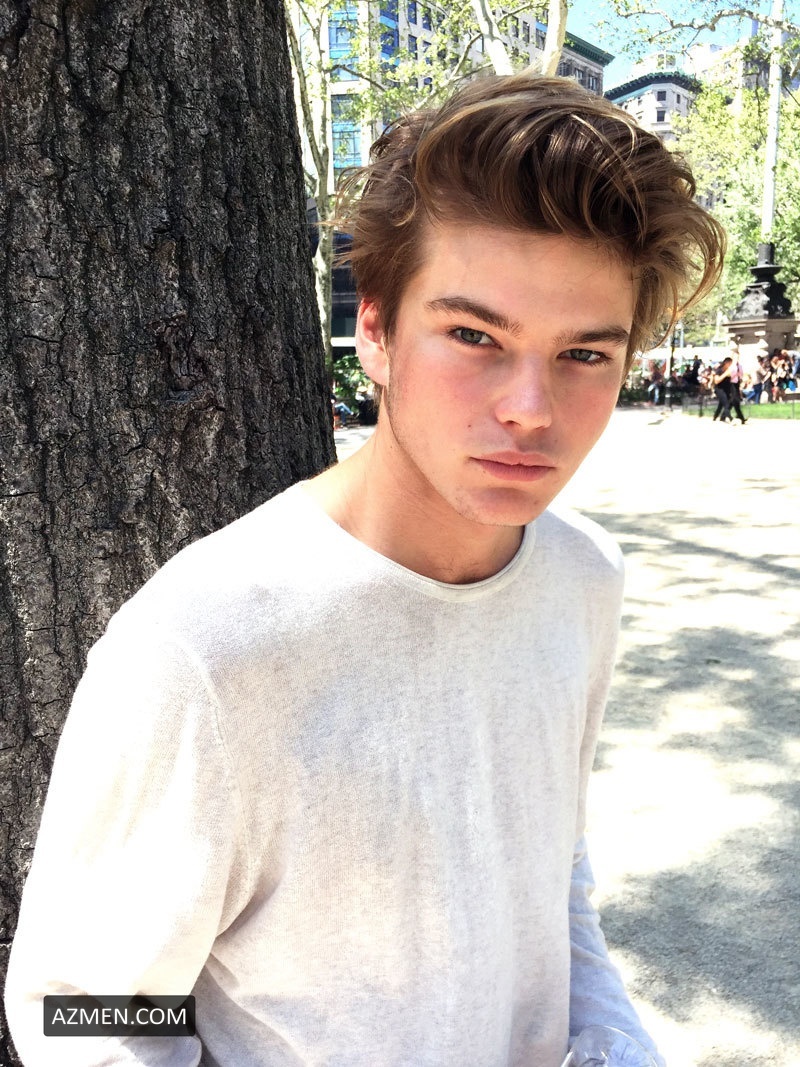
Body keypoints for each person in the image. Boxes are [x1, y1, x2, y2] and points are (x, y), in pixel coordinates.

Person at [5, 75, 725, 1067]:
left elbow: (546, 875)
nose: (530, 407)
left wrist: (614, 1042)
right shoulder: (205, 646)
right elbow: (77, 1006)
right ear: (376, 334)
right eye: (474, 336)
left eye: (584, 354)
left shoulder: (583, 578)